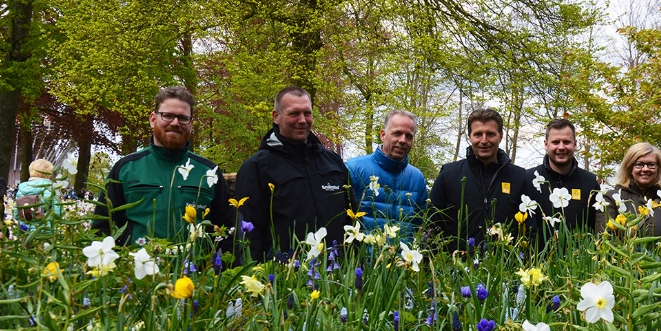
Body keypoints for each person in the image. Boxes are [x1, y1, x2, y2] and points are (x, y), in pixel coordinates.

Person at [92, 86, 235, 244]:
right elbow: (102, 228)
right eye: (167, 116)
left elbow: (226, 230)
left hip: (194, 267)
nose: (175, 123)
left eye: (183, 118)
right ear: (153, 119)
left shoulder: (209, 173)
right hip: (135, 266)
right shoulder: (126, 169)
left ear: (191, 124)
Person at [235, 86, 358, 261]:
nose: (302, 120)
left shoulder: (333, 163)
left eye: (307, 113)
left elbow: (352, 219)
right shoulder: (257, 168)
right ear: (276, 116)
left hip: (337, 275)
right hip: (285, 277)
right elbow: (247, 235)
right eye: (294, 114)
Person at [429, 108, 531, 251]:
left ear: (501, 137)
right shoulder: (448, 174)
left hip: (504, 268)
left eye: (490, 134)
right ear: (469, 137)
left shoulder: (520, 177)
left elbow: (530, 229)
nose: (484, 141)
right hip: (456, 267)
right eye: (478, 134)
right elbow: (432, 225)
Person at [346, 110, 428, 238]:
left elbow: (421, 225)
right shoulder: (354, 169)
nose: (403, 140)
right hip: (362, 256)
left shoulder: (417, 178)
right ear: (383, 135)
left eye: (409, 136)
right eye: (397, 133)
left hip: (404, 257)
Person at [530, 118, 599, 238]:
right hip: (536, 255)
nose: (561, 147)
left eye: (566, 142)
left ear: (575, 144)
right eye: (556, 142)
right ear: (546, 144)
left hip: (578, 255)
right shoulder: (529, 179)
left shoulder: (590, 183)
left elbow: (597, 227)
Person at [596, 143, 661, 238]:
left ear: (658, 168)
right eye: (639, 164)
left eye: (651, 164)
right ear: (629, 168)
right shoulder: (611, 199)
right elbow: (605, 241)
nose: (645, 169)